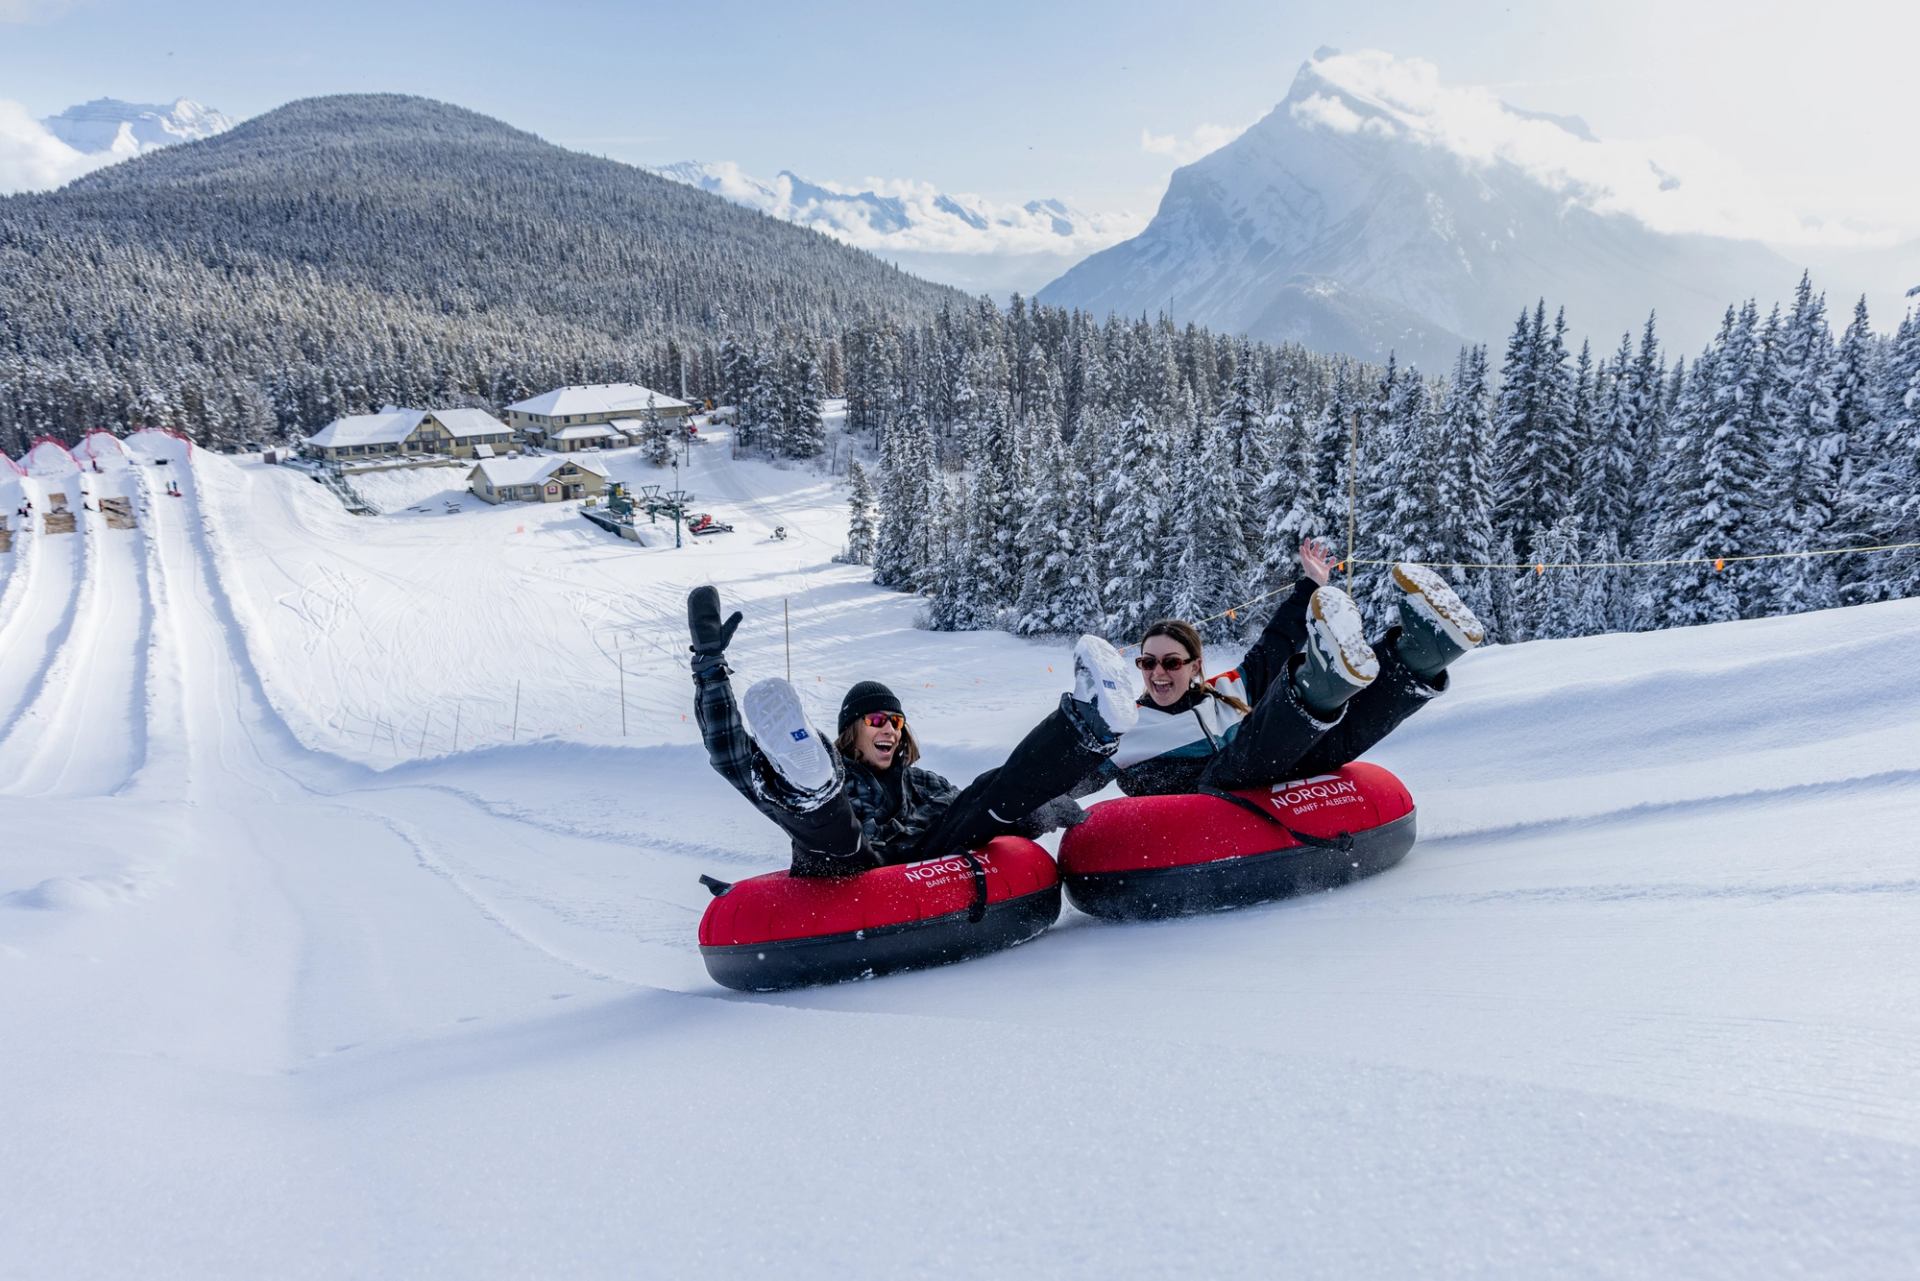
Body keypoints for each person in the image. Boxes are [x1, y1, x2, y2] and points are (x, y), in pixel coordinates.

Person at [688, 585, 1139, 877]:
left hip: (921, 862)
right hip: (847, 866)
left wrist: (1032, 807)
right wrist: (710, 671)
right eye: (876, 721)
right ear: (851, 732)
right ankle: (809, 785)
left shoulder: (923, 783)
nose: (890, 729)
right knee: (832, 825)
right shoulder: (848, 778)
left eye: (896, 721)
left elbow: (979, 814)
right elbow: (731, 758)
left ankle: (1085, 726)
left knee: (983, 790)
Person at [1075, 537, 1485, 799]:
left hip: (1270, 769)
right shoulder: (1127, 727)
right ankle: (1322, 682)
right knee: (1246, 751)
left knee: (1334, 734)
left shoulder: (1226, 691)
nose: (1157, 672)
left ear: (1195, 665)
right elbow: (1074, 775)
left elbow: (1275, 644)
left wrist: (1311, 585)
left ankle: (1423, 652)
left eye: (1170, 661)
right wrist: (1033, 804)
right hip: (1209, 794)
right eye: (1147, 662)